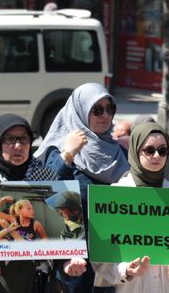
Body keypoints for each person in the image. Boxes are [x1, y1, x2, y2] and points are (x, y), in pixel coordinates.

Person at [0, 114, 85, 293]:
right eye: (10, 139)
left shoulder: (46, 177)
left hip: (37, 283)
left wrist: (67, 263)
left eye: (24, 139)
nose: (18, 146)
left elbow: (55, 247)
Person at [35, 83, 129, 292]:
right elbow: (43, 193)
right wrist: (67, 155)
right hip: (75, 264)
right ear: (80, 111)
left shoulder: (118, 151)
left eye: (109, 109)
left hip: (112, 258)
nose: (105, 115)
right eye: (97, 110)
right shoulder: (60, 150)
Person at [93, 122, 169, 292]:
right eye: (149, 150)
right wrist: (125, 269)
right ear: (136, 150)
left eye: (162, 151)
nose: (156, 156)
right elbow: (101, 261)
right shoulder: (116, 196)